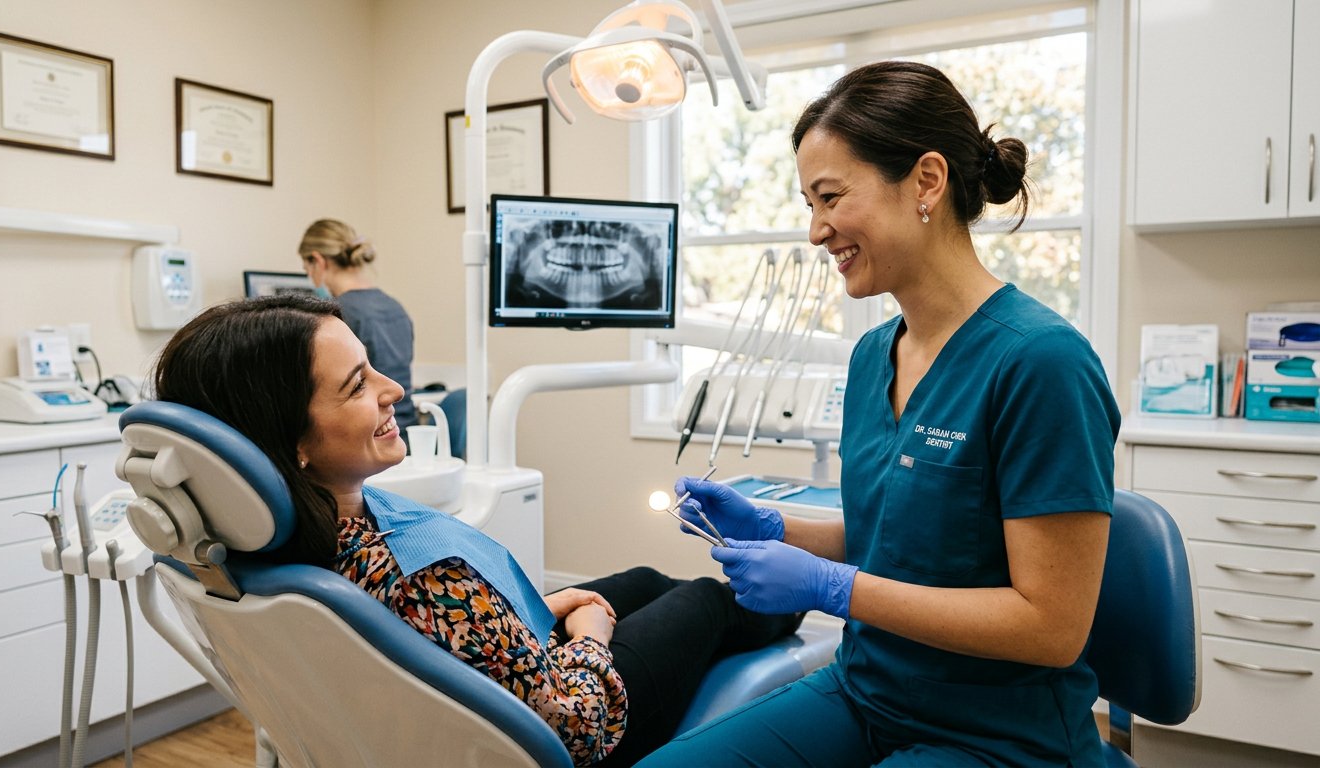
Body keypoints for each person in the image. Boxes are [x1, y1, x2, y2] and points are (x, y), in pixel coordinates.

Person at [640, 61, 1121, 767]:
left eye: (830, 197)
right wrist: (782, 529)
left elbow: (1051, 627)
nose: (815, 231)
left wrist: (835, 590)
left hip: (1002, 736)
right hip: (866, 693)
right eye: (809, 204)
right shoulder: (872, 358)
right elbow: (902, 535)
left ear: (927, 181)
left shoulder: (1042, 364)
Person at [149, 294, 803, 767]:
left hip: (484, 679)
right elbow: (572, 729)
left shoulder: (267, 552)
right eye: (356, 386)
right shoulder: (418, 578)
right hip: (565, 729)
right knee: (705, 600)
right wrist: (590, 640)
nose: (393, 390)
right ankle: (807, 607)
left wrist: (524, 617)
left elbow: (428, 646)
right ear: (291, 442)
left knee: (642, 580)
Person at [298, 218, 418, 432]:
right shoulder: (394, 307)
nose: (310, 277)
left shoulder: (336, 317)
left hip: (371, 434)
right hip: (404, 432)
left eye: (308, 269)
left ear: (318, 261)